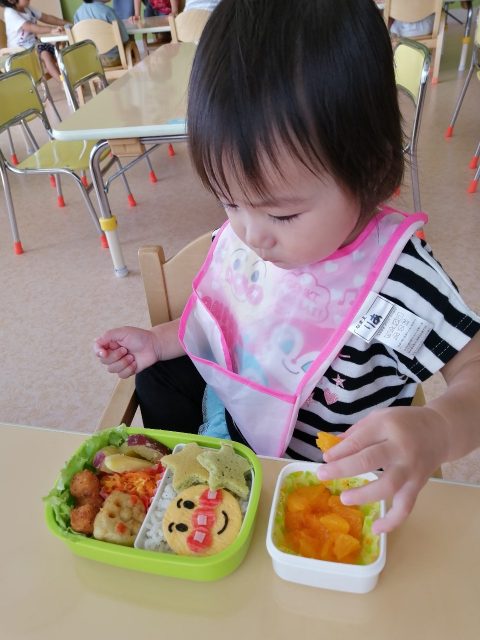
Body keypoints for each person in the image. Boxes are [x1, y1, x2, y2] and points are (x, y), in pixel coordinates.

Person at [94, 0, 480, 534]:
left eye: (281, 213)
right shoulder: (252, 233)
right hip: (240, 430)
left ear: (373, 171)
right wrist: (158, 342)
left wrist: (438, 427)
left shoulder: (397, 283)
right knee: (158, 376)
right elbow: (234, 316)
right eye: (229, 201)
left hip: (327, 482)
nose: (250, 234)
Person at [1, 0, 68, 81]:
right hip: (19, 51)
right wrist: (51, 30)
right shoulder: (10, 13)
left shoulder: (27, 8)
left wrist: (67, 24)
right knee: (46, 55)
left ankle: (66, 78)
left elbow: (46, 17)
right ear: (11, 0)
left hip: (34, 45)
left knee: (58, 51)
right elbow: (29, 27)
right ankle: (63, 82)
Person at [73, 0, 130, 68]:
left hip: (91, 60)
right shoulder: (107, 11)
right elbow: (124, 38)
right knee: (130, 43)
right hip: (112, 59)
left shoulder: (78, 13)